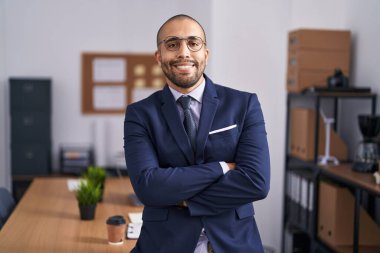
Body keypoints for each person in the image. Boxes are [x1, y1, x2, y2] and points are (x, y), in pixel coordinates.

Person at [124, 14, 270, 253]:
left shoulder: (244, 105)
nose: (184, 53)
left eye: (193, 43)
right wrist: (221, 168)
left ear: (205, 54)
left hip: (235, 243)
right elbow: (148, 187)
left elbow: (256, 182)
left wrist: (185, 200)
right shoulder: (140, 114)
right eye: (172, 44)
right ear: (159, 56)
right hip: (164, 244)